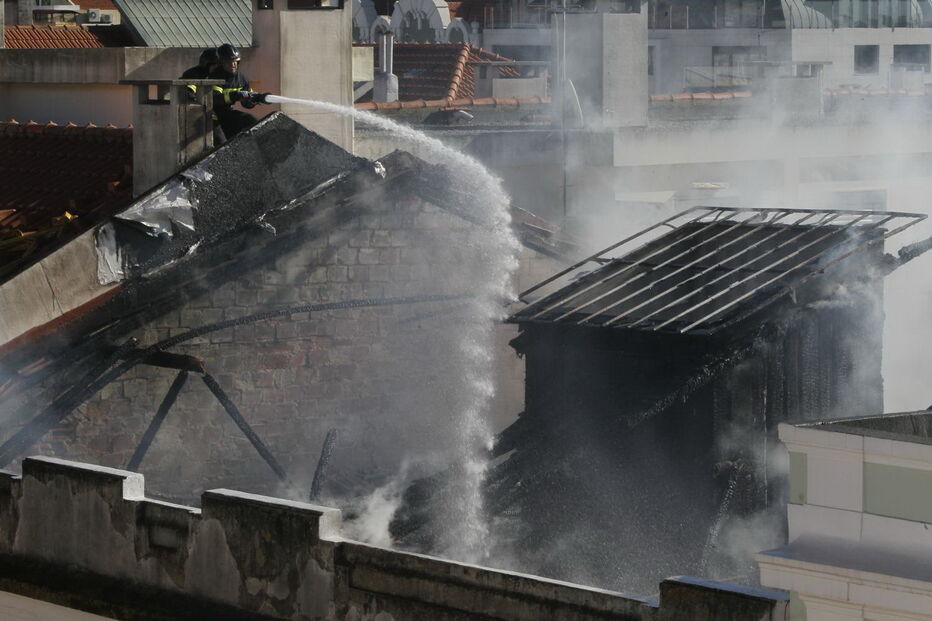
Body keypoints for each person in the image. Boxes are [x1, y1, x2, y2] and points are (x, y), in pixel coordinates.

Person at [208, 43, 270, 142]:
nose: (233, 64)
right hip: (213, 117)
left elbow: (247, 103)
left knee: (252, 121)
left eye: (235, 61)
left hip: (227, 114)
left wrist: (257, 98)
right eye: (229, 62)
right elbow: (214, 99)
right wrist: (235, 96)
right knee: (221, 143)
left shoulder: (241, 79)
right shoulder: (215, 77)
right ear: (221, 63)